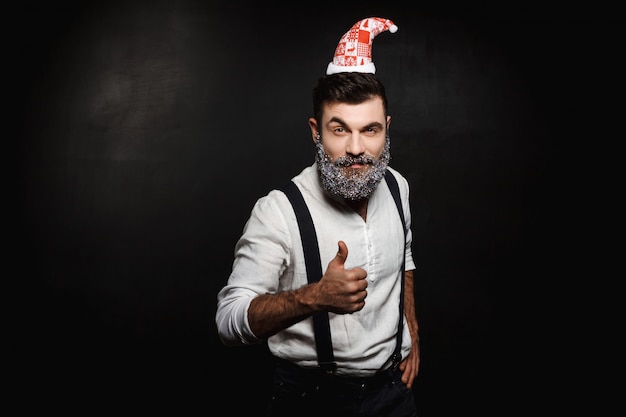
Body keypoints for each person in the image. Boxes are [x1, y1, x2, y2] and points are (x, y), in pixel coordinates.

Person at [216, 17, 420, 417]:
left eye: (371, 130)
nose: (357, 148)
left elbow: (405, 258)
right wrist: (314, 296)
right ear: (316, 130)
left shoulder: (397, 186)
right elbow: (228, 321)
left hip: (394, 393)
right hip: (313, 399)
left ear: (387, 130)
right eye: (339, 130)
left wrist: (412, 331)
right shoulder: (279, 210)